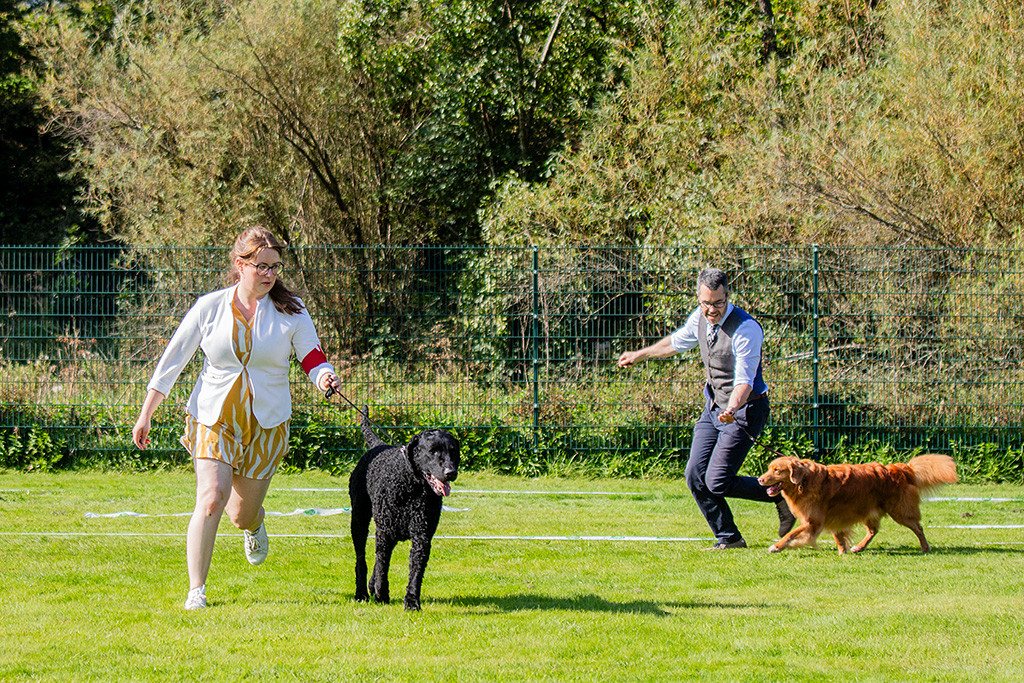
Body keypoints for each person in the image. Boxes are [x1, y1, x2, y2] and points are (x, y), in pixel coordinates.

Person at [131, 227, 340, 609]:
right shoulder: (209, 306)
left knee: (240, 515)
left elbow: (311, 355)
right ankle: (197, 590)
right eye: (261, 266)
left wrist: (323, 375)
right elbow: (172, 362)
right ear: (239, 266)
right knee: (211, 498)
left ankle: (255, 524)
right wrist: (147, 412)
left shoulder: (291, 310)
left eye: (274, 267)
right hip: (214, 415)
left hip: (266, 422)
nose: (269, 274)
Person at [617, 267, 795, 549]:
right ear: (699, 297)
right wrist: (640, 355)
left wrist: (733, 408)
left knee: (718, 480)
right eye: (706, 303)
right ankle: (729, 538)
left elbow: (744, 380)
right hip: (713, 407)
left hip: (745, 410)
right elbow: (676, 343)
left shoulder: (746, 328)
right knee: (695, 475)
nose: (712, 310)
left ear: (728, 295)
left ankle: (782, 493)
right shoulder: (699, 317)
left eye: (718, 303)